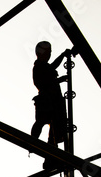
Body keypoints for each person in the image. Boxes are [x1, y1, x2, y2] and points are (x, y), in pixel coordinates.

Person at [31, 41, 71, 169]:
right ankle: (32, 143)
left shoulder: (44, 66)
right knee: (43, 122)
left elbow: (53, 66)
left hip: (53, 101)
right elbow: (44, 82)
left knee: (54, 130)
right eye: (48, 53)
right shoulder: (38, 67)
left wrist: (63, 55)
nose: (49, 55)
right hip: (46, 101)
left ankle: (51, 158)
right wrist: (59, 80)